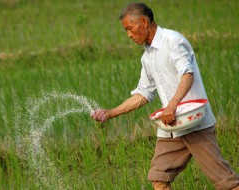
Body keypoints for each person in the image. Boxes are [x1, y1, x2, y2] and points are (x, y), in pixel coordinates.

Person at [91, 2, 239, 190]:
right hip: (171, 127)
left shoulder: (173, 41)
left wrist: (172, 105)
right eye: (125, 30)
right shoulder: (147, 57)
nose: (128, 35)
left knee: (226, 182)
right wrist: (110, 113)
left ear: (144, 22)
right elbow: (143, 93)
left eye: (129, 28)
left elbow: (187, 74)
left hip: (194, 123)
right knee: (159, 179)